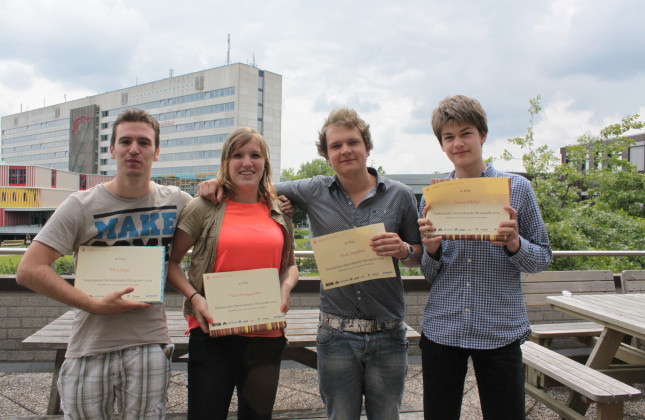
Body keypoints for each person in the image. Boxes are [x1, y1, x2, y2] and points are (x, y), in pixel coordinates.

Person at [198, 108, 422, 420]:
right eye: (336, 146)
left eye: (352, 142)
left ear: (367, 147)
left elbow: (418, 254)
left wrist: (402, 250)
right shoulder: (314, 189)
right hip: (336, 335)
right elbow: (255, 186)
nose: (345, 150)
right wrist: (216, 183)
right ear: (327, 154)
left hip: (388, 332)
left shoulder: (400, 195)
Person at [16, 108, 192, 419]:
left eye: (143, 142)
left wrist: (216, 189)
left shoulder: (177, 201)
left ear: (157, 151)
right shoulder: (80, 206)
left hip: (149, 345)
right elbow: (29, 270)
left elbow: (221, 215)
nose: (134, 149)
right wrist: (91, 304)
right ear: (112, 150)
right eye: (125, 141)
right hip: (90, 346)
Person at [417, 95, 552, 419]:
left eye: (465, 133)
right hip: (443, 328)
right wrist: (432, 250)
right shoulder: (434, 195)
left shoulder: (517, 188)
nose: (458, 143)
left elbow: (543, 257)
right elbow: (429, 274)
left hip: (499, 328)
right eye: (448, 137)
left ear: (483, 135)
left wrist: (515, 243)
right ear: (441, 144)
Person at [166, 127, 298, 419]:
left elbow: (290, 265)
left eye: (255, 155)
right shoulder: (203, 207)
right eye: (238, 155)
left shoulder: (278, 210)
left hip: (266, 333)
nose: (247, 162)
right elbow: (170, 264)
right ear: (226, 161)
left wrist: (286, 288)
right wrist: (195, 297)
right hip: (213, 332)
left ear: (265, 163)